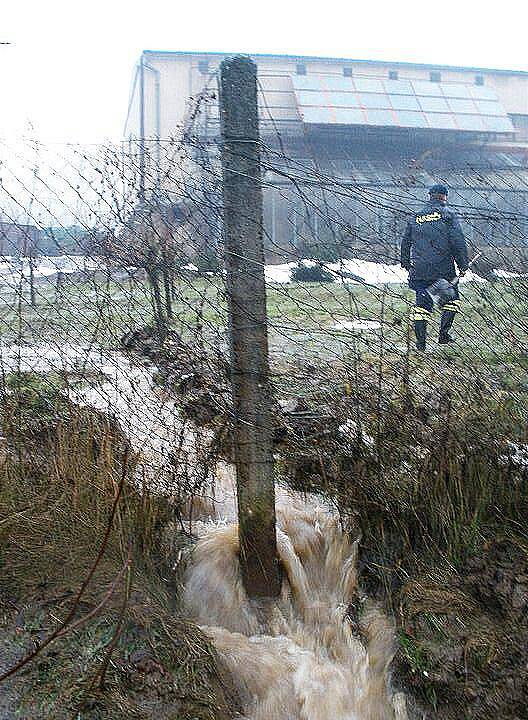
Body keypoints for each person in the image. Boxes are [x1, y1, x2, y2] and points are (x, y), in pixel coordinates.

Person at [400, 184, 469, 351]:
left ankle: (420, 343)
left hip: (420, 270)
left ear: (429, 196)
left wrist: (406, 263)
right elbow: (458, 242)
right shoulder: (448, 215)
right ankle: (444, 335)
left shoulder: (416, 217)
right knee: (451, 301)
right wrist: (463, 265)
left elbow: (405, 242)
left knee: (422, 306)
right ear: (445, 197)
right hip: (442, 269)